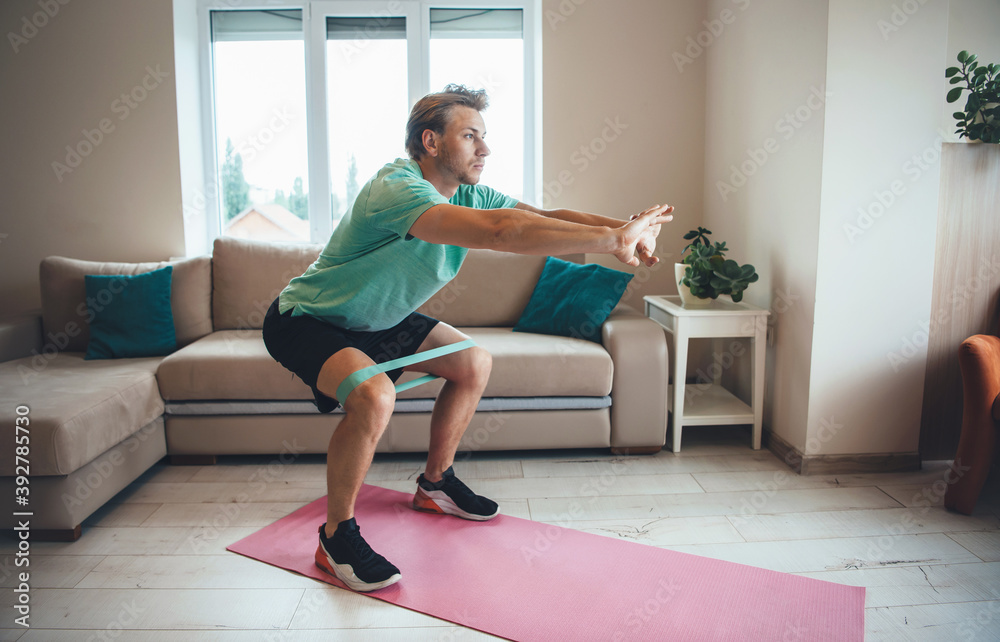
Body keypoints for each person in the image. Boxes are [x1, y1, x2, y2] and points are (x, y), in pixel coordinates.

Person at [262, 84, 673, 592]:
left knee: (472, 362)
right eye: (471, 136)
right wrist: (612, 241)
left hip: (381, 319)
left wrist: (626, 227)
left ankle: (435, 485)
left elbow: (545, 218)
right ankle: (335, 538)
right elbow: (502, 232)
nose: (485, 149)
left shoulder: (471, 193)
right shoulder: (397, 188)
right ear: (431, 142)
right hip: (310, 318)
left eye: (485, 137)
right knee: (374, 395)